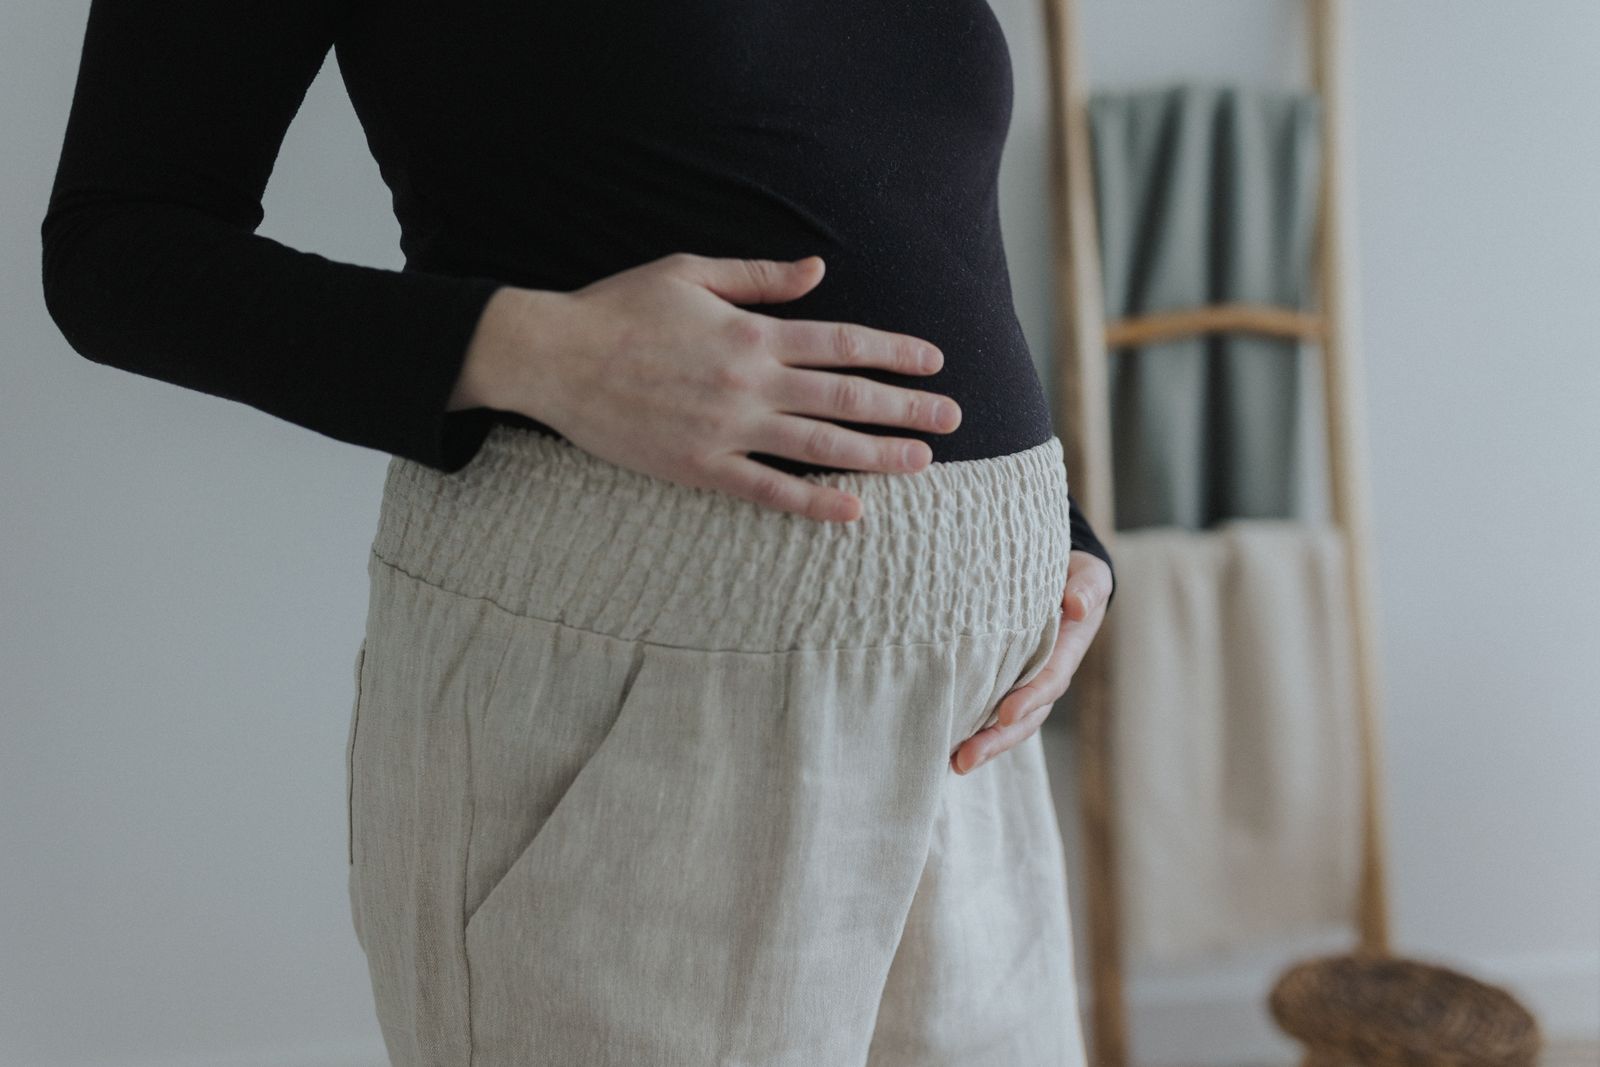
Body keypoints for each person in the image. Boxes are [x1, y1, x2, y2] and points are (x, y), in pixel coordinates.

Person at [41, 1, 1116, 1064]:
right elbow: (114, 244)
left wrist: (1038, 527)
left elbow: (913, 197)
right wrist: (537, 350)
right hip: (629, 709)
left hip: (968, 740)